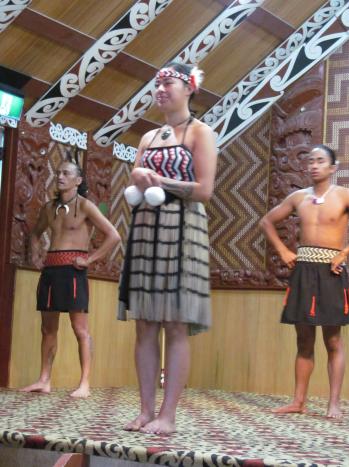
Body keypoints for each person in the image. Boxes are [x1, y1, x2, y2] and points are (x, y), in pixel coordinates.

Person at [118, 62, 217, 434]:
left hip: (183, 230)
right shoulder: (148, 137)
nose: (160, 89)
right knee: (144, 323)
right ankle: (145, 410)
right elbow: (139, 181)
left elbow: (205, 190)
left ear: (189, 87)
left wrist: (159, 179)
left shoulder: (200, 132)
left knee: (174, 324)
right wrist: (139, 178)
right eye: (156, 83)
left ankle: (168, 415)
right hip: (146, 229)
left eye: (169, 82)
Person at [260, 144, 349, 418]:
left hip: (332, 272)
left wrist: (345, 253)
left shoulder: (344, 195)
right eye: (310, 161)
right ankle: (298, 401)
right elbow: (266, 221)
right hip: (304, 269)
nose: (313, 165)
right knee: (303, 339)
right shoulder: (298, 197)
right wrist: (284, 250)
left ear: (332, 168)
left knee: (333, 339)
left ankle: (333, 403)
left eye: (320, 161)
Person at [21, 158, 120, 398]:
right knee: (48, 329)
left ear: (78, 180)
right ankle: (44, 380)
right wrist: (35, 253)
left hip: (74, 272)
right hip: (51, 271)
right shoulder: (48, 208)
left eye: (66, 173)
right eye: (58, 173)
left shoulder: (86, 206)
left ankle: (84, 383)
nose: (60, 177)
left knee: (80, 329)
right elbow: (35, 234)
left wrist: (90, 259)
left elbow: (113, 236)